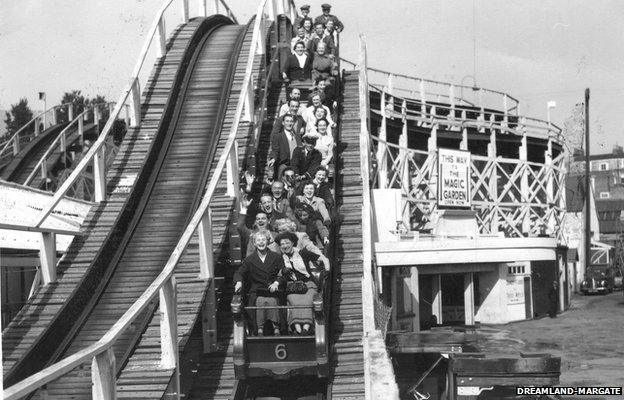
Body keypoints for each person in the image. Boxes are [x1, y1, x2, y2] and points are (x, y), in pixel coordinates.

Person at [276, 231, 329, 334]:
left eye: (287, 243)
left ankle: (306, 328)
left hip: (308, 284)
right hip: (292, 287)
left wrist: (327, 270)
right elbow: (277, 273)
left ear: (292, 243)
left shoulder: (302, 253)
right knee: (294, 301)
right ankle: (297, 329)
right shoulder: (280, 258)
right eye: (282, 244)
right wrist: (283, 271)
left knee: (308, 301)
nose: (285, 246)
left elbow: (323, 258)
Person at [234, 231, 285, 336]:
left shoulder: (276, 257)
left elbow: (283, 273)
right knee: (260, 301)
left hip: (273, 289)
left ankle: (276, 327)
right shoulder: (249, 260)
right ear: (254, 243)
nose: (261, 242)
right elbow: (239, 273)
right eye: (258, 240)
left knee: (273, 301)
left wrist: (276, 283)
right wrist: (238, 281)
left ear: (268, 242)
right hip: (257, 291)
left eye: (263, 240)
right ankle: (259, 329)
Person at [268, 114, 302, 179]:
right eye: (287, 121)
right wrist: (273, 158)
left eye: (291, 121)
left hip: (296, 167)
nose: (289, 123)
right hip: (284, 165)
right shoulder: (278, 136)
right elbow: (275, 150)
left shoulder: (297, 137)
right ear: (283, 123)